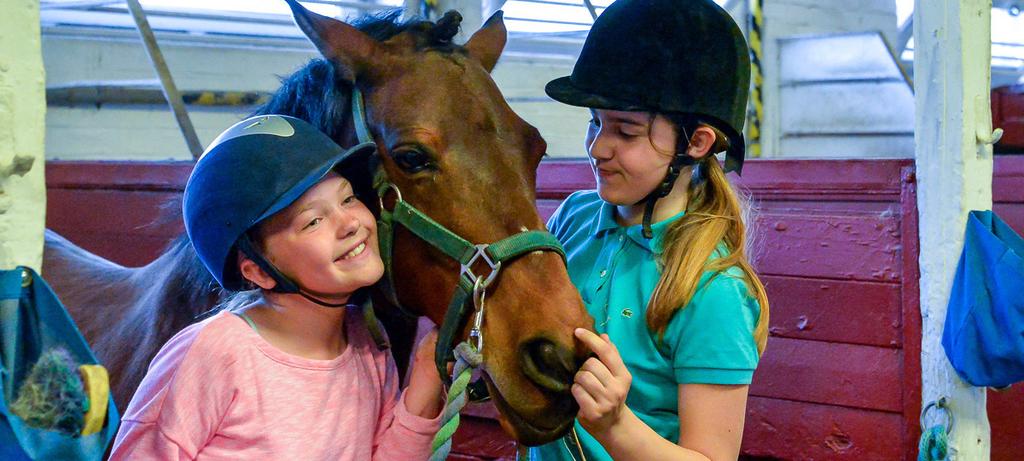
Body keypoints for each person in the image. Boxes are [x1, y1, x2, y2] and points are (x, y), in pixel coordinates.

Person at [109, 114, 444, 460]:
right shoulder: (217, 353)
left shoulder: (368, 344)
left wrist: (426, 377)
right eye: (313, 221)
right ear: (259, 271)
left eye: (347, 199)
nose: (349, 224)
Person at [529, 0, 770, 459]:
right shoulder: (573, 218)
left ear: (696, 143)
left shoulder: (711, 289)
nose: (598, 148)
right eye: (595, 123)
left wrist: (616, 426)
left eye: (627, 131)